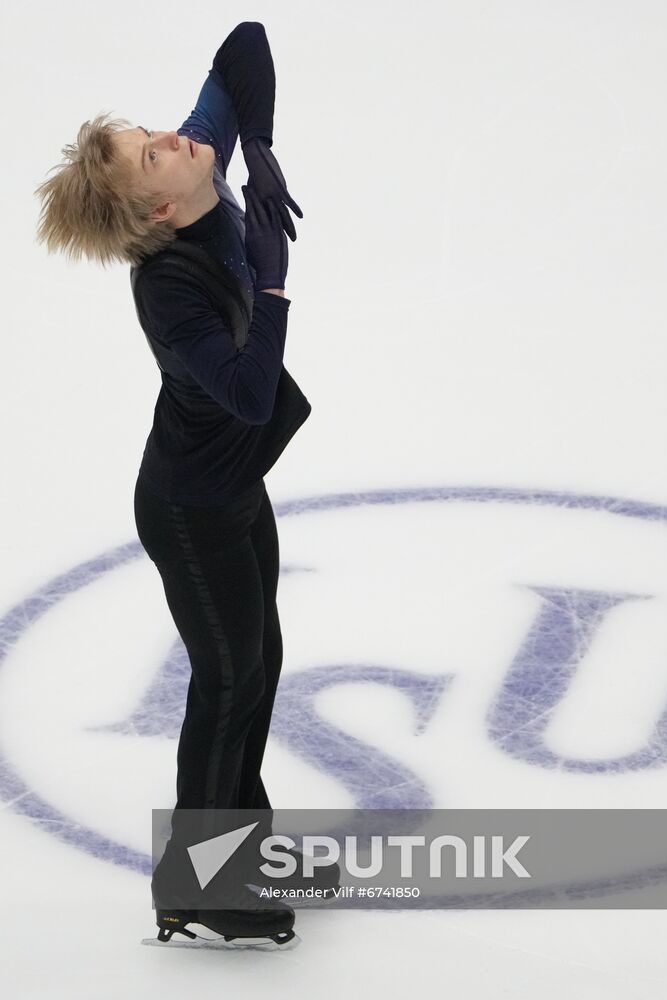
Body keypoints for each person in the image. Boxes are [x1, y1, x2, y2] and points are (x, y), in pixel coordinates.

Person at [34, 21, 338, 948]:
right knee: (227, 678)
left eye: (157, 132)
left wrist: (262, 147)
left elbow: (244, 47)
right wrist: (275, 289)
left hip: (233, 486)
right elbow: (247, 395)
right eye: (152, 153)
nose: (174, 136)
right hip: (191, 507)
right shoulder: (168, 286)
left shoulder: (197, 158)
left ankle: (245, 855)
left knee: (262, 667)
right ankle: (200, 888)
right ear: (157, 211)